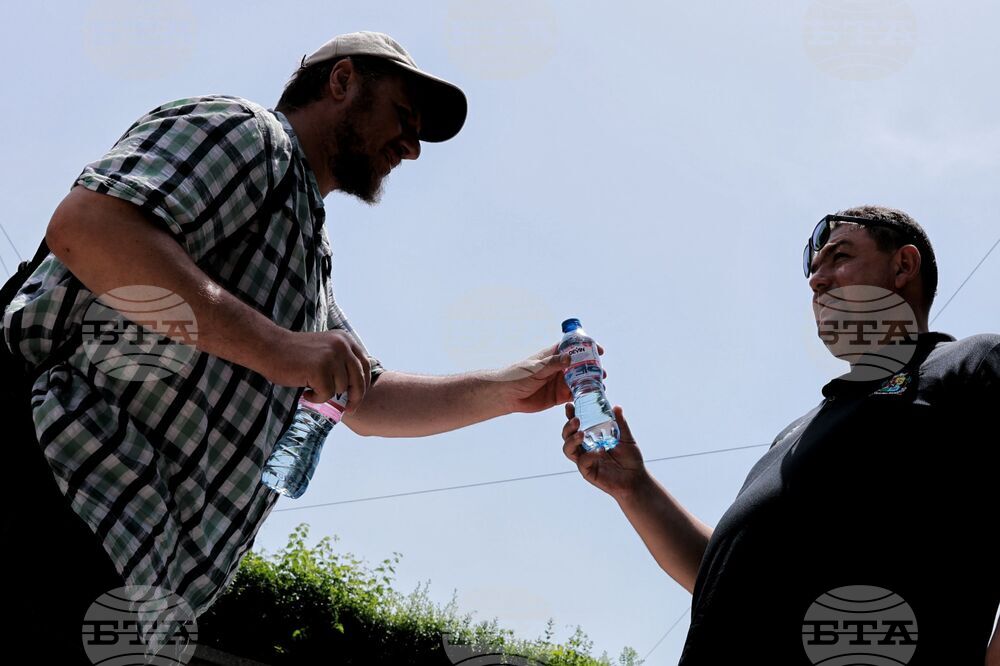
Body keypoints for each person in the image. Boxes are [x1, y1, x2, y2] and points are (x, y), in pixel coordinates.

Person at [1, 32, 594, 663]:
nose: (413, 148)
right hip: (57, 489)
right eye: (402, 116)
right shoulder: (248, 134)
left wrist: (508, 388)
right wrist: (282, 349)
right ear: (342, 82)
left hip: (134, 577)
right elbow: (90, 227)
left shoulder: (310, 262)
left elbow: (366, 398)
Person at [560, 205, 999, 665]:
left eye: (840, 257)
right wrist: (634, 488)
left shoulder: (973, 366)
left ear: (903, 266)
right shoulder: (796, 432)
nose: (816, 280)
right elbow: (722, 584)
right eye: (814, 270)